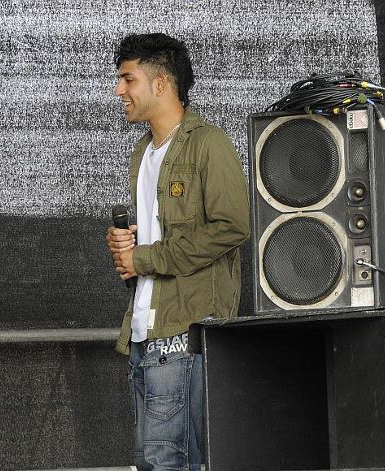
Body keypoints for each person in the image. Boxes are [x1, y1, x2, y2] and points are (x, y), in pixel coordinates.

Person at [106, 33, 250, 471]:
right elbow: (159, 236)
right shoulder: (143, 152)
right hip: (143, 333)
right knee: (151, 462)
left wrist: (144, 258)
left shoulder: (209, 144)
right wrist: (127, 246)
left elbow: (232, 227)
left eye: (128, 79)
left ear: (160, 83)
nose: (119, 90)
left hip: (182, 334)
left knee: (168, 462)